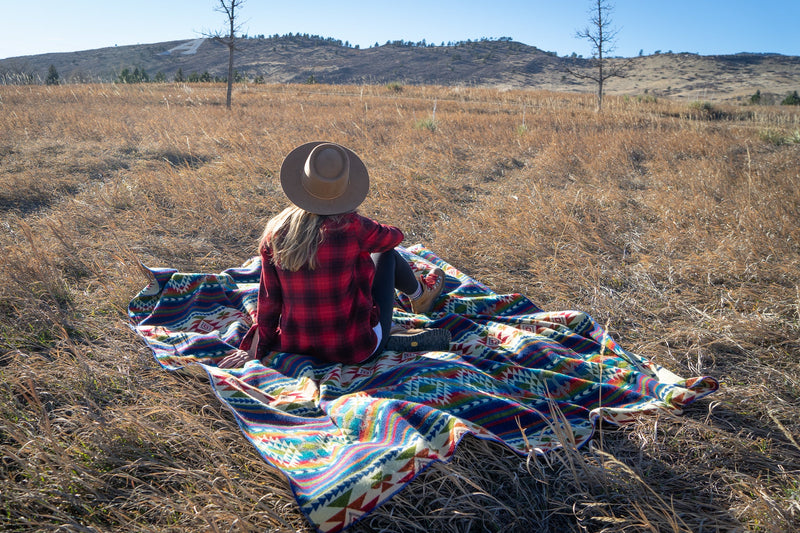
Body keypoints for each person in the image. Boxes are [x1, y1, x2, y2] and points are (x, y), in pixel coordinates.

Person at [218, 141, 450, 368]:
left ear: (301, 183)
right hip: (354, 349)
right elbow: (395, 237)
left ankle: (406, 314)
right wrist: (364, 223)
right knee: (386, 254)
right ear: (345, 188)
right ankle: (420, 296)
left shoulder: (275, 231)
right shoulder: (354, 226)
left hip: (295, 345)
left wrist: (253, 349)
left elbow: (269, 302)